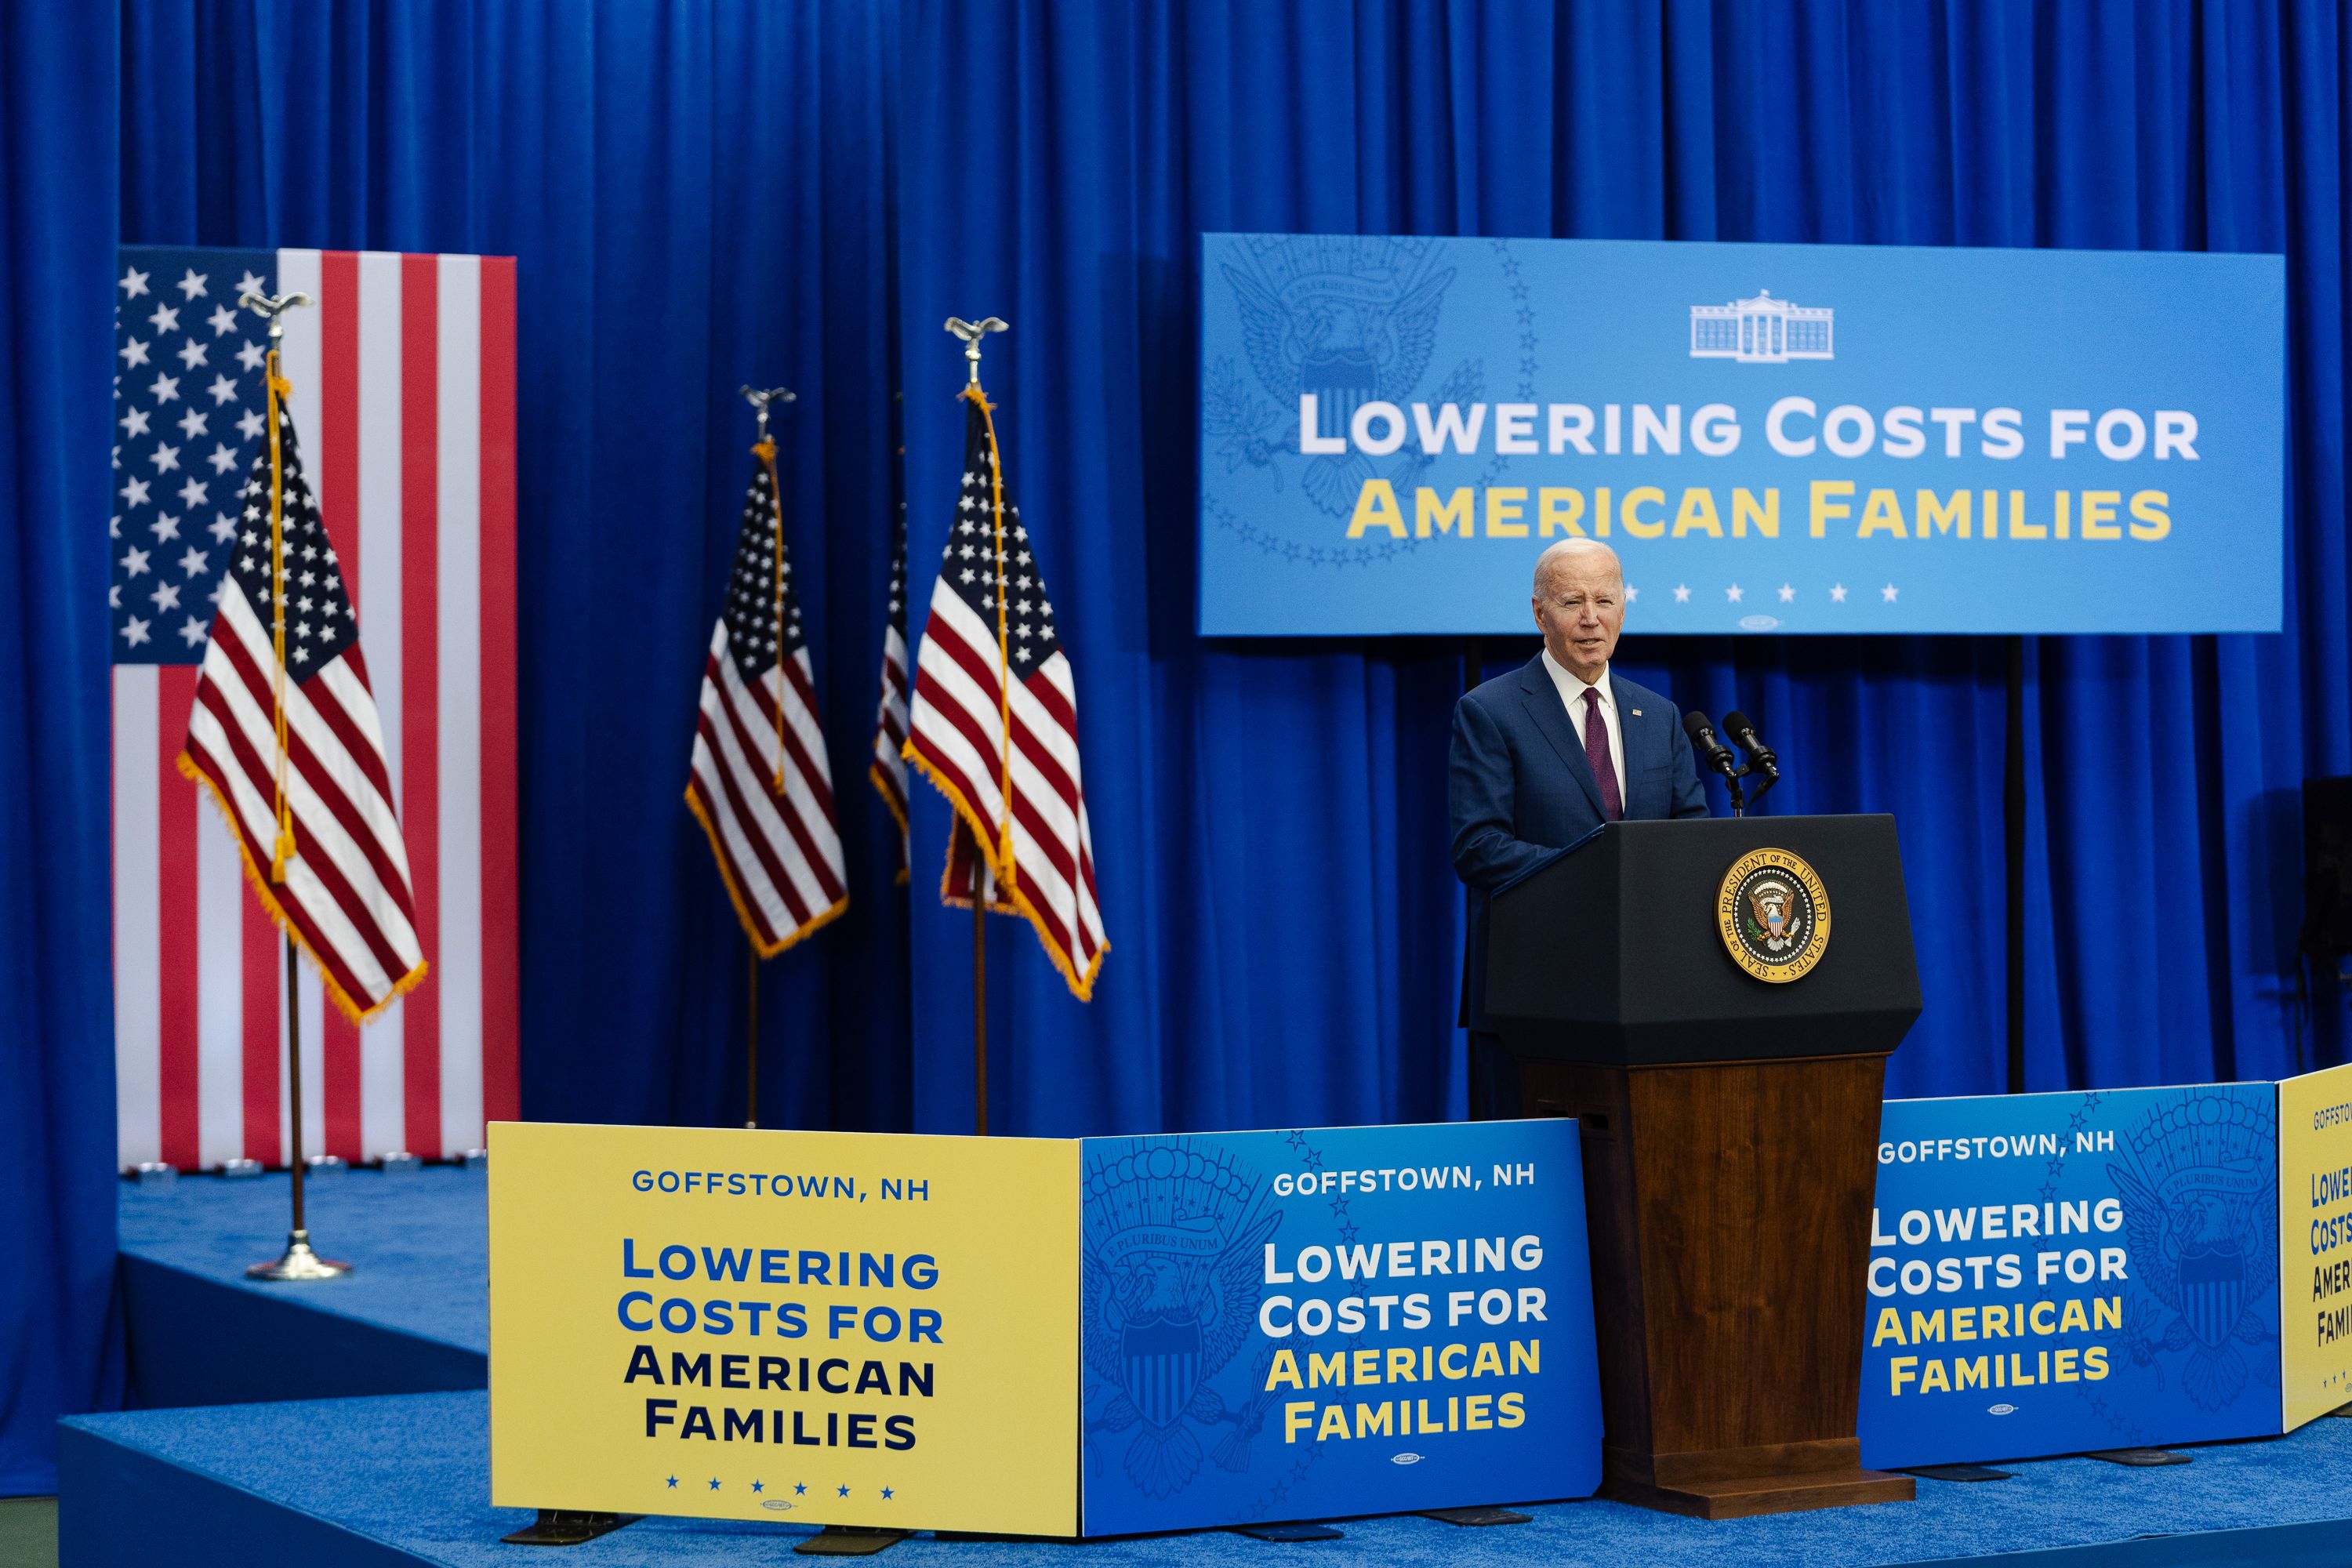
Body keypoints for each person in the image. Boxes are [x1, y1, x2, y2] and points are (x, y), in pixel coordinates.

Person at [1450, 539, 1710, 1116]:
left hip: (1650, 995)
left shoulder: (1659, 714)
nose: (1592, 618)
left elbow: (1692, 836)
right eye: (1572, 601)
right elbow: (1478, 848)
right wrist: (1596, 870)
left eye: (1605, 599)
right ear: (1539, 614)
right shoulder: (1490, 711)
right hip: (1535, 997)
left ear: (1625, 609)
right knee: (1540, 1188)